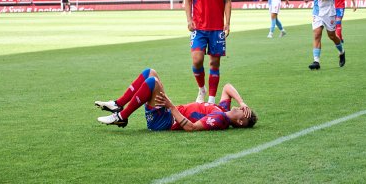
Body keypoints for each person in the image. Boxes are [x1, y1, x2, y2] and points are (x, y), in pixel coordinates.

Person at [95, 68, 257, 131]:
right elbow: (227, 87)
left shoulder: (220, 119)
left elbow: (192, 127)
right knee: (150, 72)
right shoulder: (223, 110)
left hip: (164, 121)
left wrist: (171, 107)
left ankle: (122, 117)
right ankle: (118, 105)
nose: (241, 108)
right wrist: (242, 102)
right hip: (168, 113)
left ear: (241, 122)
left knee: (153, 82)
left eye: (244, 112)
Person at [184, 0, 232, 104]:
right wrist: (189, 20)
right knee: (197, 60)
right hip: (199, 27)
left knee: (214, 63)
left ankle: (211, 99)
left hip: (217, 28)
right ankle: (201, 89)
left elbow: (227, 1)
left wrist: (227, 23)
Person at [303, 0, 345, 70]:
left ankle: (341, 51)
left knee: (331, 35)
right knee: (317, 34)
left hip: (328, 11)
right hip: (316, 12)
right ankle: (316, 61)